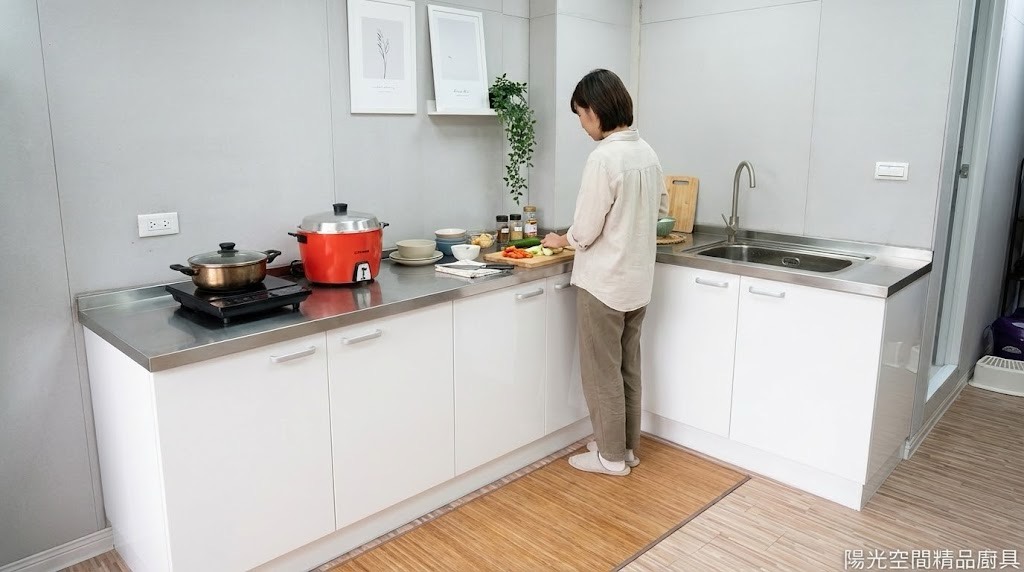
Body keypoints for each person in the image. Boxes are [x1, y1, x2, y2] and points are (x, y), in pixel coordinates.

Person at [542, 69, 668, 477]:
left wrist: (562, 239)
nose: (582, 124)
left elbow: (585, 229)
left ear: (595, 111)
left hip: (604, 285)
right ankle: (626, 448)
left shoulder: (603, 158)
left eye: (581, 114)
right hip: (637, 283)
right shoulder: (647, 152)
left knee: (601, 372)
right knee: (628, 368)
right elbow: (661, 209)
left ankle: (610, 458)